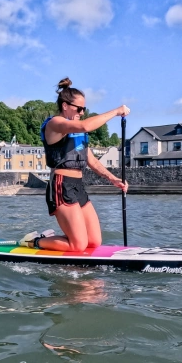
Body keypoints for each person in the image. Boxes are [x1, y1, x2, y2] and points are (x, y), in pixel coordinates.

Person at [20, 78, 129, 252]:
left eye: (84, 109)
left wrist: (114, 179)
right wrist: (116, 111)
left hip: (78, 186)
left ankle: (55, 239)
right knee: (78, 245)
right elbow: (85, 126)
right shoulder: (54, 124)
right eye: (79, 108)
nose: (82, 112)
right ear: (65, 106)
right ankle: (34, 241)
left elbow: (91, 160)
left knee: (94, 242)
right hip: (61, 185)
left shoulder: (79, 133)